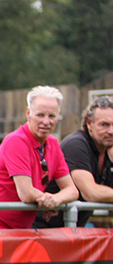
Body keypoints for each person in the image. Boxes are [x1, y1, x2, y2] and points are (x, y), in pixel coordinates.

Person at [0, 86, 78, 230]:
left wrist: (55, 200)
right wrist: (47, 200)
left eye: (51, 116)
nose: (46, 121)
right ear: (28, 113)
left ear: (58, 117)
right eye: (40, 115)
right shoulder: (16, 141)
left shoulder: (54, 144)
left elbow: (72, 190)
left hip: (20, 230)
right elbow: (26, 193)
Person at [33, 96, 113, 228]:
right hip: (42, 231)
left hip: (70, 232)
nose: (111, 131)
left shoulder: (106, 151)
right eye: (104, 125)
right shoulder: (76, 145)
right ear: (89, 124)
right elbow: (91, 193)